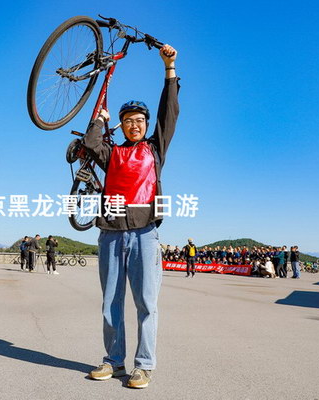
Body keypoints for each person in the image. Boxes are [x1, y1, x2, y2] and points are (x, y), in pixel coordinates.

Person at [83, 44, 180, 389]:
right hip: (110, 232)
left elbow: (169, 113)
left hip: (145, 234)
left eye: (139, 121)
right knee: (111, 301)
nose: (135, 125)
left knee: (146, 304)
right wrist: (101, 118)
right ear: (122, 126)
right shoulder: (113, 153)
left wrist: (169, 69)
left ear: (145, 125)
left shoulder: (154, 148)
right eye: (128, 121)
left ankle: (144, 366)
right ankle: (113, 361)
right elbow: (92, 143)